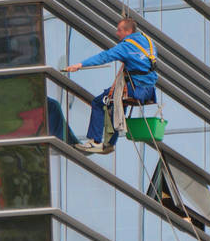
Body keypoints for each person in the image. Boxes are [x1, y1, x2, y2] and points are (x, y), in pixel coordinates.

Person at [64, 18, 157, 154]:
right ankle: (110, 144)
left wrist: (80, 65)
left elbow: (104, 56)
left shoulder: (126, 47)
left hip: (134, 89)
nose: (117, 33)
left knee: (98, 103)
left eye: (119, 30)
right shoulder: (148, 41)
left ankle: (95, 141)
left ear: (128, 31)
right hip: (148, 90)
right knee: (116, 106)